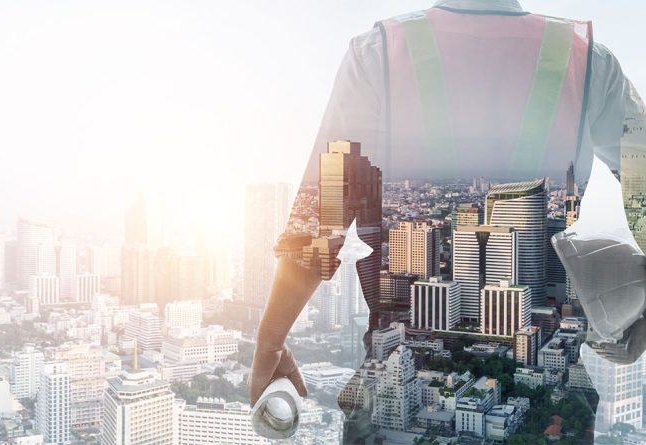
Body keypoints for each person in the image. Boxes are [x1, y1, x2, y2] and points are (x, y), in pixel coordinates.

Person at [249, 0, 645, 442]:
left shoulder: (379, 53)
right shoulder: (585, 59)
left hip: (389, 416)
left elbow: (319, 222)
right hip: (554, 420)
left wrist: (270, 343)